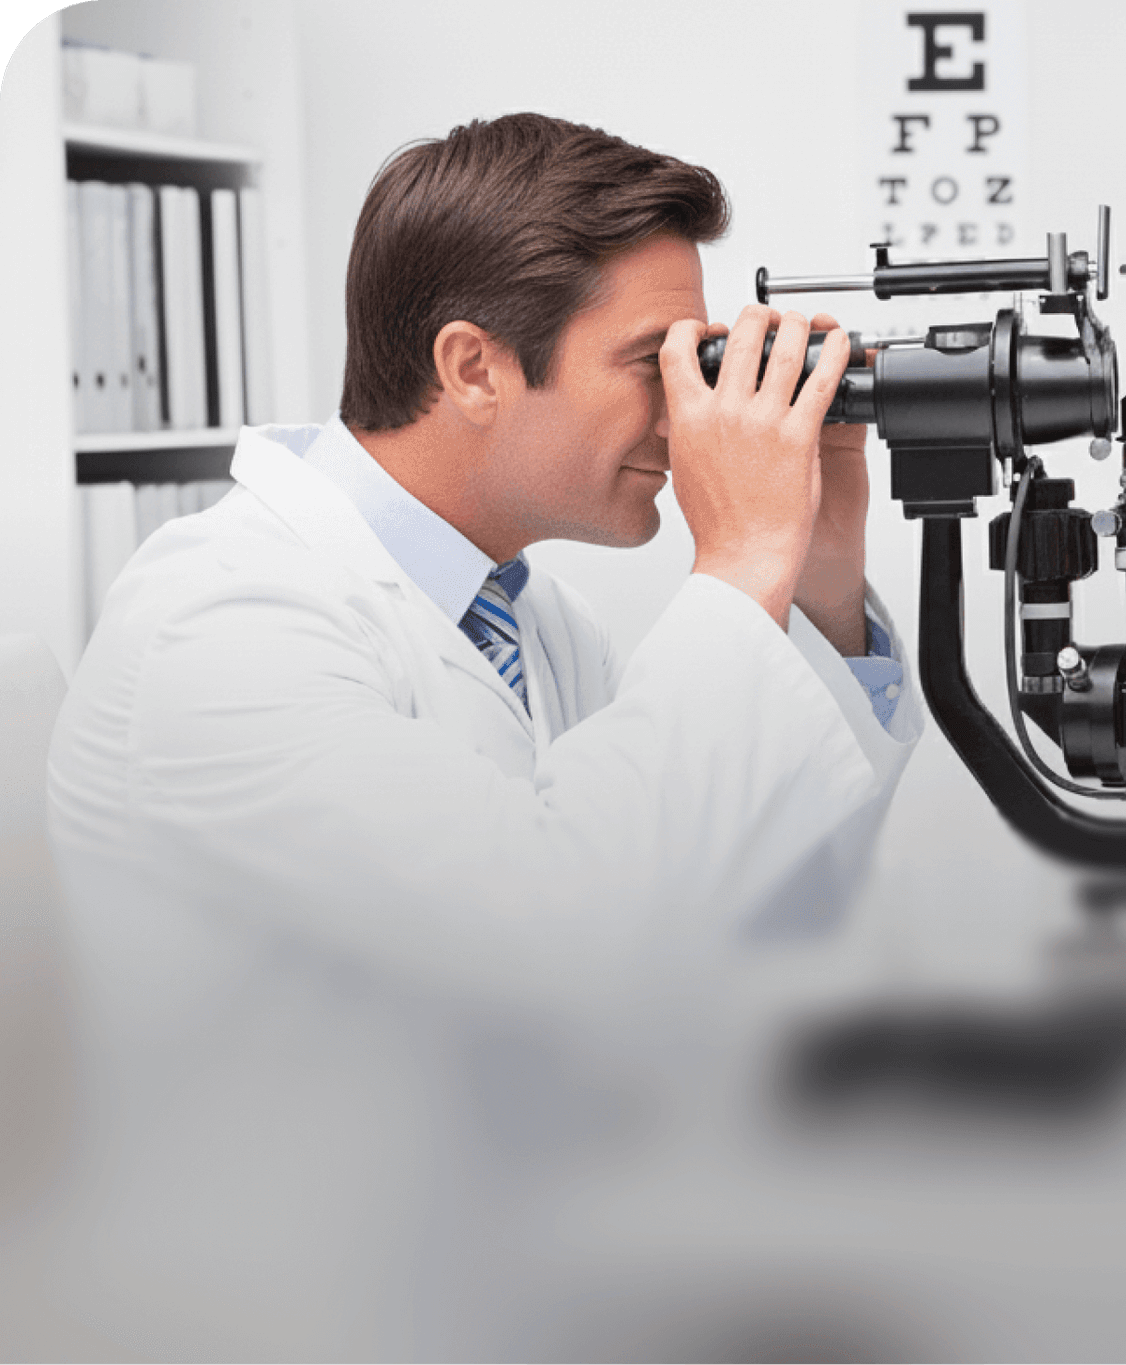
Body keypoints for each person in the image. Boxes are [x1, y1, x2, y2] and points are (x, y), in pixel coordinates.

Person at [40, 113, 921, 1354]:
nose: (688, 416)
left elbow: (727, 906)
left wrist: (816, 567)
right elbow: (572, 929)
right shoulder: (222, 624)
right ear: (473, 368)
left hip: (504, 1254)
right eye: (655, 363)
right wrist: (739, 557)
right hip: (280, 1309)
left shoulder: (521, 616)